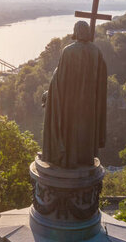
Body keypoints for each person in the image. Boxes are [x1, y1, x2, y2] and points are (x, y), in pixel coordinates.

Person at [42, 20, 107, 168]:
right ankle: (85, 158)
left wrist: (49, 94)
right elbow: (101, 82)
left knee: (70, 130)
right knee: (86, 129)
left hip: (71, 104)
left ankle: (68, 159)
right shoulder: (96, 52)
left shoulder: (69, 51)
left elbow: (60, 79)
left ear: (76, 32)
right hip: (90, 103)